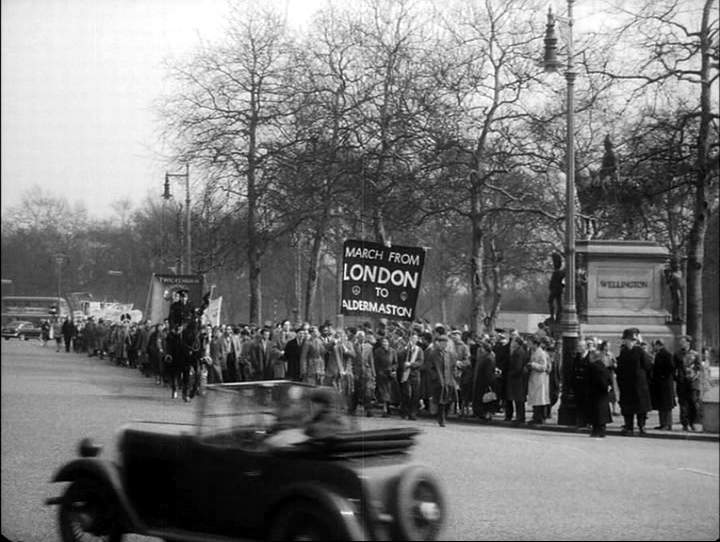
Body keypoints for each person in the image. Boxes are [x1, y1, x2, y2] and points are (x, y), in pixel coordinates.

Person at [616, 328, 652, 435]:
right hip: (627, 385)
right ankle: (629, 426)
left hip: (639, 384)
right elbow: (620, 368)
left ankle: (641, 426)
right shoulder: (623, 352)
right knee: (628, 408)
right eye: (627, 340)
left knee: (641, 408)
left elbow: (647, 365)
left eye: (631, 340)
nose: (629, 342)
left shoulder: (640, 351)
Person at [425, 328, 458, 427]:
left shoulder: (450, 354)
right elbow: (429, 367)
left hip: (449, 380)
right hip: (439, 380)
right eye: (442, 342)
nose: (444, 345)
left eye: (445, 343)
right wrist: (435, 377)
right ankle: (441, 418)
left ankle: (445, 416)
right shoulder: (433, 353)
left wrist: (454, 375)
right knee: (440, 401)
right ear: (438, 343)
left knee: (449, 399)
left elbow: (453, 366)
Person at [674, 335, 703, 431]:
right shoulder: (677, 354)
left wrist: (695, 376)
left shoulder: (695, 354)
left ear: (688, 343)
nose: (681, 343)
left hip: (692, 382)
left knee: (693, 402)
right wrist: (676, 378)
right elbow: (674, 368)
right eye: (680, 342)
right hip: (681, 382)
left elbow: (699, 368)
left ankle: (693, 422)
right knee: (682, 403)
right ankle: (684, 423)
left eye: (683, 342)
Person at [585, 344, 613, 438]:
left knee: (597, 413)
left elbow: (599, 379)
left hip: (596, 392)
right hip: (602, 393)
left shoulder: (594, 367)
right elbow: (608, 377)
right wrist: (608, 386)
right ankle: (601, 430)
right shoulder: (602, 366)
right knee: (601, 413)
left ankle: (597, 431)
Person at [397, 329, 424, 420]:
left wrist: (411, 364)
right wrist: (405, 350)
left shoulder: (419, 350)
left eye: (415, 339)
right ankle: (405, 411)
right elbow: (400, 359)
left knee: (415, 395)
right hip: (406, 374)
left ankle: (413, 413)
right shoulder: (405, 349)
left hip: (415, 374)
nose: (413, 340)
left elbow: (420, 362)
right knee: (407, 394)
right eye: (412, 338)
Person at [350, 330, 376, 417]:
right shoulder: (353, 346)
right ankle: (352, 409)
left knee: (367, 391)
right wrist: (352, 371)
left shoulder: (369, 347)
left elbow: (371, 360)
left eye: (362, 336)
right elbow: (352, 360)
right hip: (356, 371)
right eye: (359, 337)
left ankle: (368, 409)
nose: (361, 338)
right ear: (357, 338)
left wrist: (373, 373)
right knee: (356, 391)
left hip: (366, 371)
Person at [650, 339, 676, 430]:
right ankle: (663, 423)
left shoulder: (666, 354)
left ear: (659, 345)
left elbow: (671, 368)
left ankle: (667, 424)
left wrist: (663, 376)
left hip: (665, 383)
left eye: (655, 345)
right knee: (661, 405)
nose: (654, 347)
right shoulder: (659, 354)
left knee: (666, 405)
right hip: (660, 383)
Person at [503, 335, 528, 423]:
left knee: (519, 399)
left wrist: (510, 373)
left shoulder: (518, 353)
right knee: (517, 399)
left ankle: (520, 417)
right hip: (517, 378)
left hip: (517, 379)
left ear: (517, 343)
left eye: (514, 341)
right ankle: (519, 416)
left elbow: (518, 367)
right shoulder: (518, 351)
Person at [526, 336, 551, 425]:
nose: (528, 344)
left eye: (530, 342)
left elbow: (544, 367)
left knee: (540, 398)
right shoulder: (533, 352)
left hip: (540, 378)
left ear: (535, 343)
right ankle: (536, 416)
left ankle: (540, 417)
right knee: (535, 398)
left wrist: (533, 364)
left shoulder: (541, 353)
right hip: (534, 377)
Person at [471, 340, 497, 422]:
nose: (480, 350)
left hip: (484, 383)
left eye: (482, 348)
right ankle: (480, 413)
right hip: (480, 381)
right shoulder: (483, 357)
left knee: (485, 400)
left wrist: (489, 383)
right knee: (480, 399)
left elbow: (488, 373)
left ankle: (485, 414)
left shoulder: (489, 358)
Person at [373, 336, 397, 417]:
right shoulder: (377, 351)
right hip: (381, 374)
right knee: (383, 392)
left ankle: (387, 408)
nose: (384, 343)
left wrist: (393, 369)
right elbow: (375, 363)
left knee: (389, 392)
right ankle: (385, 409)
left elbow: (396, 363)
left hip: (390, 375)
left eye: (386, 342)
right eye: (383, 342)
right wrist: (378, 372)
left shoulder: (393, 351)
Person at [597, 340, 619, 415]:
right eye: (607, 346)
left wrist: (614, 364)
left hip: (610, 373)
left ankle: (614, 409)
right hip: (602, 373)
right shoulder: (599, 354)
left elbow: (615, 363)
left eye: (609, 346)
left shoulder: (611, 354)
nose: (608, 347)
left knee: (612, 392)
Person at [548, 251, 565, 323]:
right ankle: (557, 316)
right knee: (558, 303)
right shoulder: (558, 271)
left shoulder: (558, 272)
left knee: (551, 301)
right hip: (557, 289)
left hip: (556, 289)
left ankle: (554, 316)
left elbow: (562, 281)